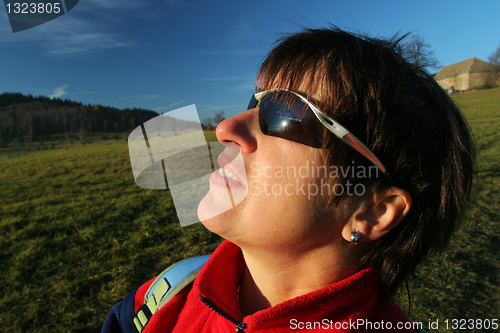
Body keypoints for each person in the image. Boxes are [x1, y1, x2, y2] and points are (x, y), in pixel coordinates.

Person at [102, 27, 475, 332]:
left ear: (373, 211)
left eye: (287, 112)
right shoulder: (164, 296)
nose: (226, 127)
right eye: (255, 102)